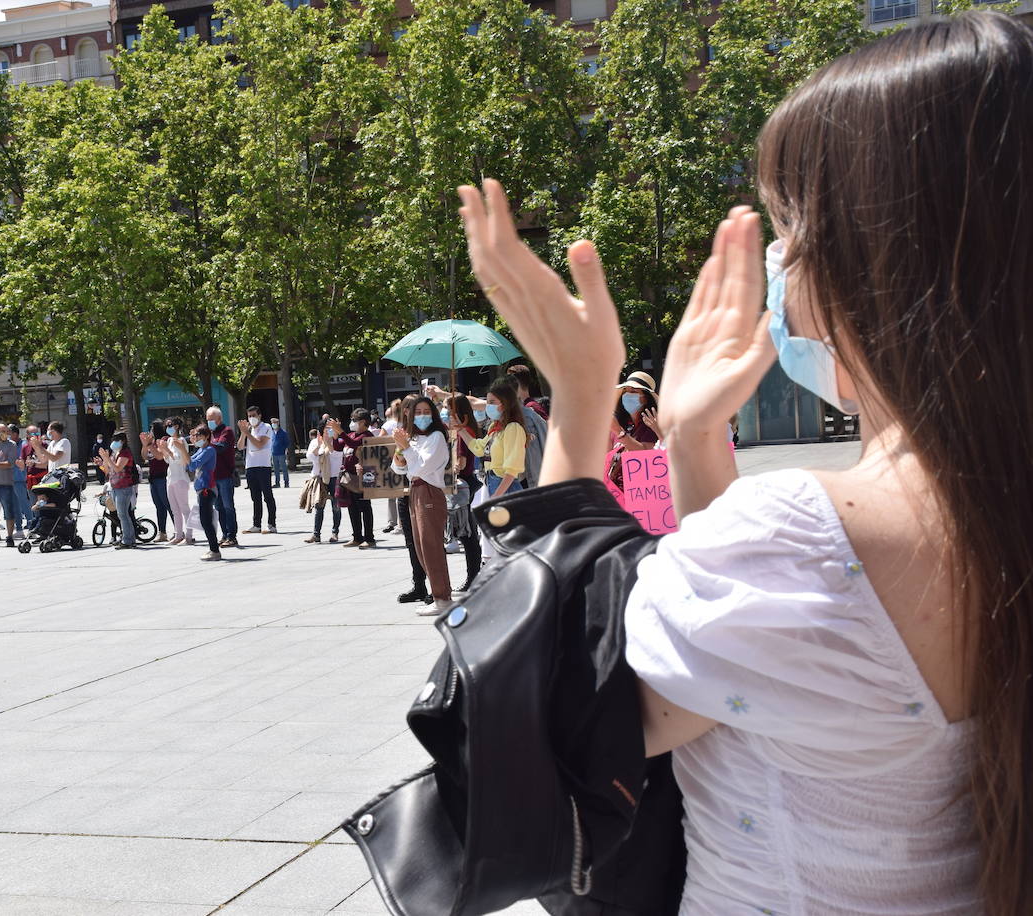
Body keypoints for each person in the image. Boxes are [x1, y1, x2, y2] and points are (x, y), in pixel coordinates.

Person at [459, 15, 1033, 907]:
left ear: (878, 256)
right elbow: (757, 660)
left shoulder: (812, 540)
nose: (782, 261)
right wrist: (690, 440)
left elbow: (541, 726)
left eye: (795, 225)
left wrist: (576, 403)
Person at [391, 397, 454, 615]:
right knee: (420, 547)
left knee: (431, 546)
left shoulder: (436, 437)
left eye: (427, 411)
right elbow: (400, 468)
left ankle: (442, 597)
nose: (422, 415)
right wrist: (401, 456)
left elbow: (422, 468)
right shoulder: (415, 438)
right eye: (418, 411)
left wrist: (406, 449)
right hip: (415, 491)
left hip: (429, 491)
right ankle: (440, 595)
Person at [456, 377, 527, 499]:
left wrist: (496, 495)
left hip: (505, 488)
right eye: (487, 402)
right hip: (492, 483)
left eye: (492, 402)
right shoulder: (494, 427)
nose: (488, 406)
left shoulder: (513, 428)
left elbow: (512, 469)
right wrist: (460, 429)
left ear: (504, 404)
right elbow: (478, 448)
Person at [443, 395, 483, 593]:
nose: (445, 414)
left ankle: (473, 577)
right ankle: (473, 575)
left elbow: (462, 464)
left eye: (447, 410)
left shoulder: (462, 433)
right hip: (467, 485)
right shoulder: (465, 430)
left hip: (463, 487)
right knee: (468, 534)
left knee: (467, 534)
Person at [328, 408, 376, 549]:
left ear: (362, 422)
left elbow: (355, 444)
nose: (352, 423)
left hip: (363, 477)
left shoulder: (367, 436)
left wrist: (341, 431)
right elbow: (338, 446)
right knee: (352, 507)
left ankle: (370, 538)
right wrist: (336, 434)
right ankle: (357, 537)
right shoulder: (351, 434)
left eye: (354, 420)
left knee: (365, 507)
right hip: (349, 478)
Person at [239, 406, 277, 535]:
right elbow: (239, 446)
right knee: (255, 497)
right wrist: (244, 432)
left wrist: (248, 433)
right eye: (249, 416)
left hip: (263, 466)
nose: (251, 418)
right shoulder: (249, 429)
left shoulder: (266, 427)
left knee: (267, 495)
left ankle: (272, 524)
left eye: (254, 415)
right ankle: (256, 524)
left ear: (259, 415)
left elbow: (260, 444)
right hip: (250, 466)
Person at [206, 407, 239, 547]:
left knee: (228, 506)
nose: (209, 422)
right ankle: (225, 535)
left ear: (219, 419)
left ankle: (232, 536)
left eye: (211, 419)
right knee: (219, 507)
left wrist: (207, 443)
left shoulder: (227, 431)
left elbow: (221, 447)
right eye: (207, 419)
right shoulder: (210, 433)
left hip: (225, 475)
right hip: (213, 476)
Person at [161, 417, 197, 546]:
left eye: (170, 425)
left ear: (176, 426)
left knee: (184, 508)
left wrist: (168, 451)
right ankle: (178, 535)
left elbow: (180, 459)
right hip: (170, 478)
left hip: (181, 478)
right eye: (167, 426)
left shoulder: (181, 441)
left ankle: (188, 536)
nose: (168, 428)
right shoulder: (170, 440)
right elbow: (168, 460)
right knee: (174, 509)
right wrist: (165, 450)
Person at [187, 424, 221, 561]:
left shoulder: (209, 450)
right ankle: (213, 548)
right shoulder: (201, 450)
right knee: (205, 520)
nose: (196, 438)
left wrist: (183, 450)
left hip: (207, 489)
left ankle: (214, 550)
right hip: (201, 489)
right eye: (195, 436)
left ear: (206, 436)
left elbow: (193, 465)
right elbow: (188, 465)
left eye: (198, 435)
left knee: (206, 521)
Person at [99, 431, 138, 549]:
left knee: (123, 514)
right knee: (122, 514)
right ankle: (130, 539)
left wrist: (107, 458)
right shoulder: (115, 453)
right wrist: (104, 460)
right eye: (113, 440)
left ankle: (127, 540)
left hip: (124, 487)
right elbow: (108, 470)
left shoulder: (125, 453)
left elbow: (117, 468)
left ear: (123, 441)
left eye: (116, 440)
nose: (113, 443)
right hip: (115, 487)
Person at [304, 427, 342, 544]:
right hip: (320, 478)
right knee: (318, 506)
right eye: (326, 431)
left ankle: (335, 532)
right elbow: (310, 457)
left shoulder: (337, 442)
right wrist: (320, 445)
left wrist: (328, 443)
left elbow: (337, 456)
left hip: (334, 477)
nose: (328, 433)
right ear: (320, 433)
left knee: (336, 506)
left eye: (331, 430)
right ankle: (316, 534)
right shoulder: (315, 442)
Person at [141, 422, 171, 543]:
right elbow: (144, 456)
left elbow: (159, 456)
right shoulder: (151, 443)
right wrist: (145, 445)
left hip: (163, 477)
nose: (150, 431)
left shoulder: (164, 440)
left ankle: (179, 531)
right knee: (159, 506)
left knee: (168, 505)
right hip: (153, 478)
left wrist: (149, 445)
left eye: (152, 429)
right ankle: (162, 533)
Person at [379, 399, 403, 534]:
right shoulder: (407, 424)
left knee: (392, 494)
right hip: (405, 461)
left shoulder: (388, 425)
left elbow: (379, 442)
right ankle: (402, 522)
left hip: (390, 462)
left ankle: (392, 522)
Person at [7, 424, 36, 531]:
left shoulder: (24, 444)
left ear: (15, 434)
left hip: (22, 478)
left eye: (9, 433)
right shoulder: (9, 445)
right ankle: (18, 525)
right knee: (15, 503)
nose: (7, 435)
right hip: (12, 478)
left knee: (24, 502)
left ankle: (30, 523)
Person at [270, 418, 291, 488]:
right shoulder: (271, 432)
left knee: (284, 469)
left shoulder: (283, 433)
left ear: (278, 423)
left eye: (274, 422)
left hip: (281, 453)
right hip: (274, 453)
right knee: (276, 469)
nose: (273, 424)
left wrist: (285, 450)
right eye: (272, 423)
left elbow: (287, 443)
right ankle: (277, 483)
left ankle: (286, 482)